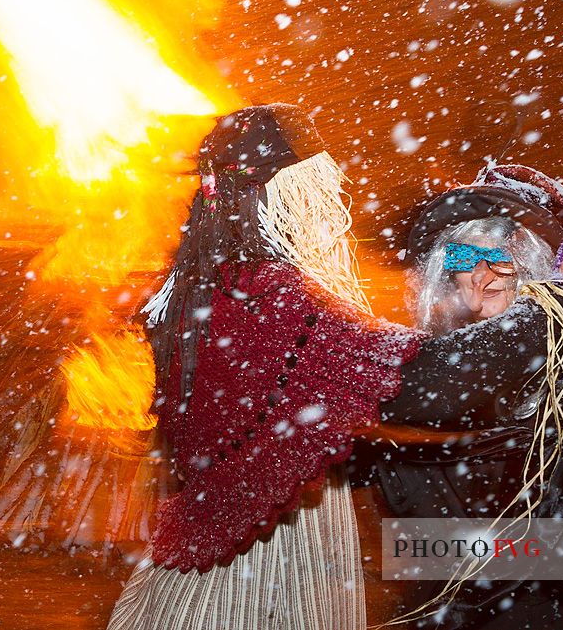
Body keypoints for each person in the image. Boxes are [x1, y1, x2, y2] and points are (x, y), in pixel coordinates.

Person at [107, 104, 422, 630]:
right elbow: (413, 378)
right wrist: (554, 311)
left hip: (244, 517)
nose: (320, 212)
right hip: (267, 540)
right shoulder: (266, 295)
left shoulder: (199, 283)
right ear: (270, 201)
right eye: (306, 193)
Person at [359, 165, 563, 629]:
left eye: (504, 258)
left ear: (534, 272)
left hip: (558, 608)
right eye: (464, 257)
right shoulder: (410, 380)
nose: (483, 276)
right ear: (444, 275)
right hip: (439, 613)